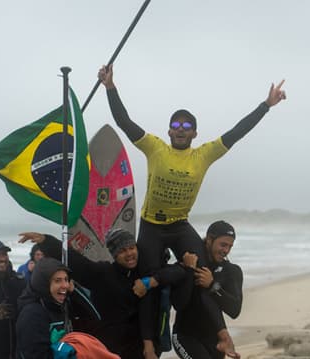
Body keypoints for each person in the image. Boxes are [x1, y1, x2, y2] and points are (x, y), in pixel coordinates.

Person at [98, 64, 285, 356]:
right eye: (176, 125)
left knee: (203, 271)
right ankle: (148, 343)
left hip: (180, 224)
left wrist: (266, 105)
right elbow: (124, 122)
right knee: (146, 279)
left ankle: (222, 335)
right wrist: (110, 87)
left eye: (187, 126)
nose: (181, 130)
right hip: (151, 226)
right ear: (169, 130)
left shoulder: (203, 155)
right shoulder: (155, 148)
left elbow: (237, 132)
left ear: (194, 133)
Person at [19, 230, 185, 359]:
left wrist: (152, 281)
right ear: (114, 254)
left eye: (131, 248)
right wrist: (47, 242)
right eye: (122, 250)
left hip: (143, 347)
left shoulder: (145, 272)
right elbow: (78, 263)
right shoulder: (104, 273)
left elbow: (177, 272)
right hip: (110, 348)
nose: (129, 254)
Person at [15, 257, 118, 359]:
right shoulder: (32, 314)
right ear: (43, 284)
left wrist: (75, 291)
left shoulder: (62, 305)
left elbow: (94, 318)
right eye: (57, 281)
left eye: (66, 280)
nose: (65, 285)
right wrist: (62, 350)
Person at [171, 220, 243, 359]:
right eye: (223, 244)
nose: (226, 251)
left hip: (214, 339)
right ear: (209, 239)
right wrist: (187, 271)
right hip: (185, 335)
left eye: (230, 246)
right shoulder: (191, 263)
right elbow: (178, 303)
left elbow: (235, 310)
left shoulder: (231, 271)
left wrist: (212, 285)